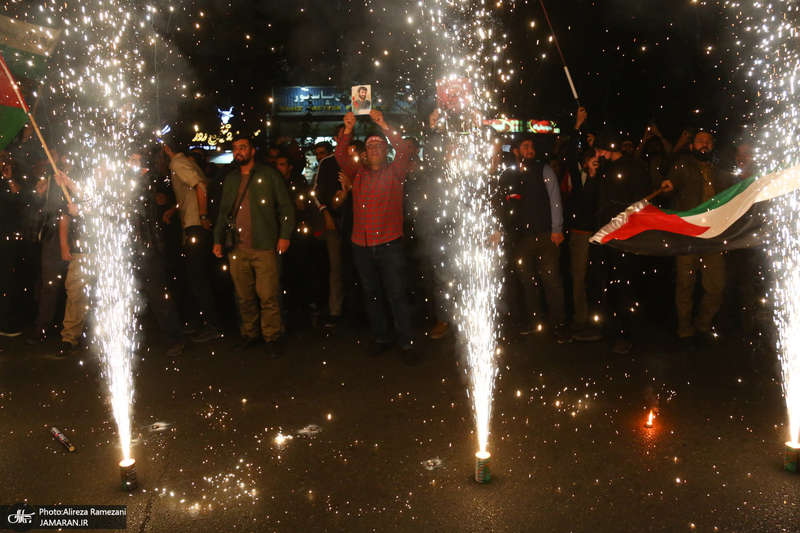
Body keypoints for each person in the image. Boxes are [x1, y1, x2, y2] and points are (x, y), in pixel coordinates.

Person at [335, 109, 418, 365]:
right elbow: (339, 154)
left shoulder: (395, 172)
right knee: (371, 295)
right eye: (370, 146)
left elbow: (404, 150)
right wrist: (348, 130)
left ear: (385, 151)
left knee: (396, 295)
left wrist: (382, 124)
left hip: (390, 244)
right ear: (364, 153)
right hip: (361, 244)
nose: (374, 149)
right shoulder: (357, 173)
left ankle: (406, 343)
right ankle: (380, 338)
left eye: (378, 145)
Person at [213, 135, 295, 358]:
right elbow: (223, 212)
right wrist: (217, 239)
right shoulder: (230, 179)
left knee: (268, 295)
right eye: (234, 148)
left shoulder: (268, 175)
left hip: (264, 244)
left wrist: (284, 235)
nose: (238, 151)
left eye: (242, 147)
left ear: (252, 151)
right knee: (244, 295)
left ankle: (271, 336)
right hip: (237, 248)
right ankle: (250, 333)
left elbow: (285, 207)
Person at [492, 133, 571, 344]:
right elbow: (504, 207)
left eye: (532, 146)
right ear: (516, 151)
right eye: (526, 146)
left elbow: (555, 200)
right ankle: (534, 321)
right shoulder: (510, 174)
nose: (531, 150)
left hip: (546, 236)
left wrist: (557, 227)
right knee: (528, 282)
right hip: (521, 239)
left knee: (552, 280)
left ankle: (559, 323)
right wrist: (501, 231)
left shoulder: (543, 170)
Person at [661, 131, 735, 346]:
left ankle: (702, 324)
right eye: (701, 141)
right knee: (685, 285)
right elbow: (668, 187)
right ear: (692, 145)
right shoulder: (682, 166)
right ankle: (685, 329)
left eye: (709, 141)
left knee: (716, 286)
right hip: (687, 237)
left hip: (713, 237)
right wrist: (667, 186)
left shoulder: (720, 171)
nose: (705, 145)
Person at [594, 131, 653, 354]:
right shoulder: (604, 170)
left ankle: (628, 333)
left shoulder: (634, 168)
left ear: (610, 149)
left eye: (600, 151)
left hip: (626, 237)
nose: (598, 155)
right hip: (605, 236)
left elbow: (644, 203)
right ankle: (609, 329)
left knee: (625, 286)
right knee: (607, 284)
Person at [161, 135, 224, 342]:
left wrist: (203, 217)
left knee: (196, 275)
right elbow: (191, 193)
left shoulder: (178, 162)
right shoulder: (186, 162)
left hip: (196, 226)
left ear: (166, 147)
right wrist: (173, 209)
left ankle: (212, 323)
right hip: (194, 224)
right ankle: (206, 318)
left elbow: (201, 187)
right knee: (197, 274)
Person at [311, 126, 347, 328]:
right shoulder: (327, 163)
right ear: (336, 138)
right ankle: (335, 309)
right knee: (336, 268)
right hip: (335, 220)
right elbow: (316, 192)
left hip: (358, 220)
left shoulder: (356, 159)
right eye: (343, 134)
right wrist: (326, 213)